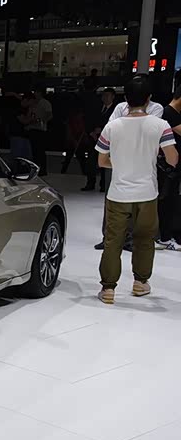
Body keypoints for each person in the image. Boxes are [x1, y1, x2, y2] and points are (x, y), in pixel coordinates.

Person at [95, 76, 178, 304]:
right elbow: (172, 159)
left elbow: (102, 161)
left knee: (113, 240)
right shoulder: (160, 125)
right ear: (149, 99)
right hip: (147, 193)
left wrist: (121, 164)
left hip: (118, 193)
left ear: (125, 99)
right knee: (145, 239)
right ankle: (140, 283)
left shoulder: (112, 126)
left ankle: (108, 289)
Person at [157, 84, 181, 250]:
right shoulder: (168, 113)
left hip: (175, 166)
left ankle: (170, 234)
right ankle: (165, 236)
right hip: (169, 166)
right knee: (167, 200)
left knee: (172, 200)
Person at [26, 85, 53, 175]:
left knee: (40, 150)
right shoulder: (33, 103)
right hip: (32, 127)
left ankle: (43, 169)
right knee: (34, 150)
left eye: (36, 92)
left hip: (40, 128)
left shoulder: (45, 103)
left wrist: (42, 120)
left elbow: (49, 115)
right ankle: (35, 168)